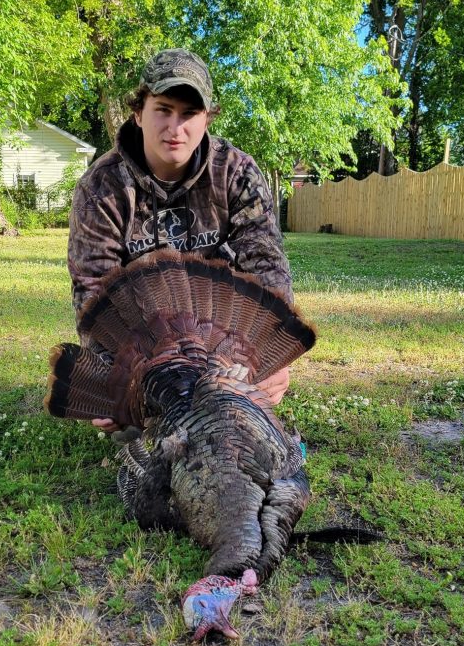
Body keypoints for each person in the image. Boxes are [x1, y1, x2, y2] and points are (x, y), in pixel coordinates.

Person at [67, 48, 295, 431]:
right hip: (143, 343)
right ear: (138, 113)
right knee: (124, 411)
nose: (176, 127)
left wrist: (273, 358)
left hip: (224, 343)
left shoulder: (236, 174)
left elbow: (267, 268)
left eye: (189, 114)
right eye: (163, 109)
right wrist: (112, 374)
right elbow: (93, 292)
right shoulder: (101, 186)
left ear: (207, 119)